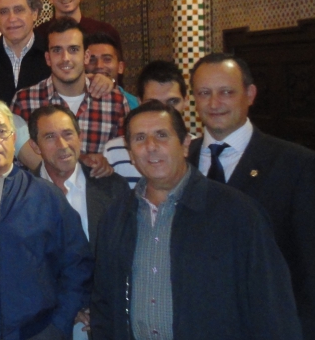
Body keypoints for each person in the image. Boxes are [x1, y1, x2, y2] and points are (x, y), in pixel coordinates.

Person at [90, 100, 302, 340]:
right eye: (139, 138)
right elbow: (104, 304)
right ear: (130, 154)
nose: (151, 146)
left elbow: (272, 306)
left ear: (185, 144)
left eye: (162, 135)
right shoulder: (116, 217)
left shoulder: (237, 213)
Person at [188, 53, 315, 338]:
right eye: (204, 93)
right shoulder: (181, 163)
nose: (214, 103)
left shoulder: (296, 165)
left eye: (226, 92)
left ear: (250, 94)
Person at [0, 98, 92, 340]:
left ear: (14, 138)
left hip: (40, 331)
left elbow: (77, 263)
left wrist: (59, 323)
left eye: (2, 131)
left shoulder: (46, 195)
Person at [28, 105, 129, 340]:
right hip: (44, 323)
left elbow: (123, 258)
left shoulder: (112, 188)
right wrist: (65, 308)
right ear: (35, 146)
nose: (62, 145)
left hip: (103, 320)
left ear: (80, 135)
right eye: (50, 137)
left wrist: (100, 307)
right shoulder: (20, 194)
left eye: (68, 134)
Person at [11, 17, 129, 171]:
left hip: (98, 193)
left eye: (73, 49)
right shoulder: (24, 101)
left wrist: (106, 162)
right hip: (43, 193)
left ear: (86, 56)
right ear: (48, 58)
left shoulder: (114, 102)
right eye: (57, 50)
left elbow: (125, 159)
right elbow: (15, 164)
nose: (65, 58)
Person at [102, 60, 188, 188]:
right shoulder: (114, 151)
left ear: (186, 101)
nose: (163, 113)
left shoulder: (197, 148)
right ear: (139, 102)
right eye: (153, 104)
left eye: (172, 102)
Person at [85, 31, 139, 109]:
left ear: (120, 67)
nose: (99, 65)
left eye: (107, 59)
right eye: (91, 60)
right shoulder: (75, 98)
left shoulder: (134, 105)